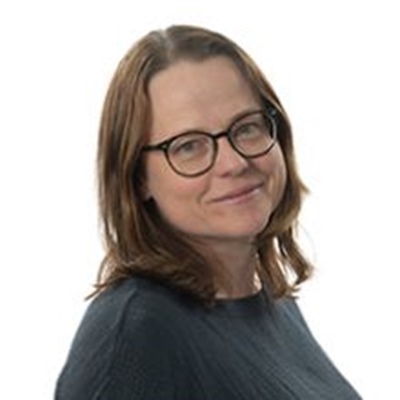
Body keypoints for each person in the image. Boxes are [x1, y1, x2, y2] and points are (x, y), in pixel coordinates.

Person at [55, 25, 362, 399]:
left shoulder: (274, 305)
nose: (234, 162)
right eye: (188, 146)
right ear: (138, 178)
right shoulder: (135, 336)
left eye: (246, 127)